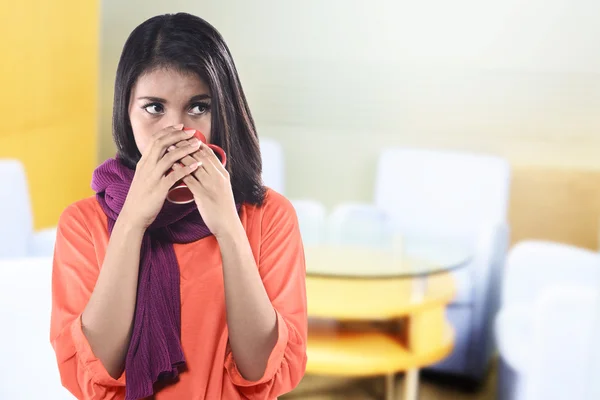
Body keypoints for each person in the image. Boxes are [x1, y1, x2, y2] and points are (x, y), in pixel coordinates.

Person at [50, 12, 307, 400]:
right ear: (126, 110)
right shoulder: (82, 224)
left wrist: (228, 228)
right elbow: (96, 372)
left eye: (198, 107)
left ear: (222, 110)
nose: (178, 130)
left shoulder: (270, 217)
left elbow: (260, 373)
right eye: (154, 108)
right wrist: (133, 221)